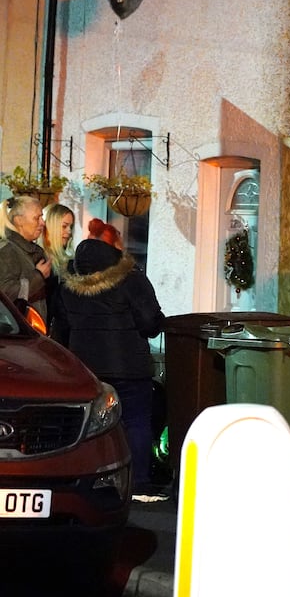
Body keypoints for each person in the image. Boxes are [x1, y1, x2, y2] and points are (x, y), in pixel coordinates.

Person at [60, 218, 165, 495]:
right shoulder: (131, 278)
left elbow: (61, 324)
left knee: (91, 427)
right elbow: (150, 323)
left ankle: (89, 483)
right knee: (136, 421)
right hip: (128, 365)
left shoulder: (68, 283)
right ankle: (139, 484)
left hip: (85, 368)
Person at [0, 194, 51, 326]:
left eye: (42, 217)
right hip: (16, 337)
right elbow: (5, 294)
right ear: (19, 220)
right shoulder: (6, 251)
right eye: (37, 218)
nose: (42, 223)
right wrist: (38, 276)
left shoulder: (35, 250)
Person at [42, 203, 76, 340]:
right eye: (64, 226)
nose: (69, 231)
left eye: (70, 227)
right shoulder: (41, 259)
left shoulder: (66, 260)